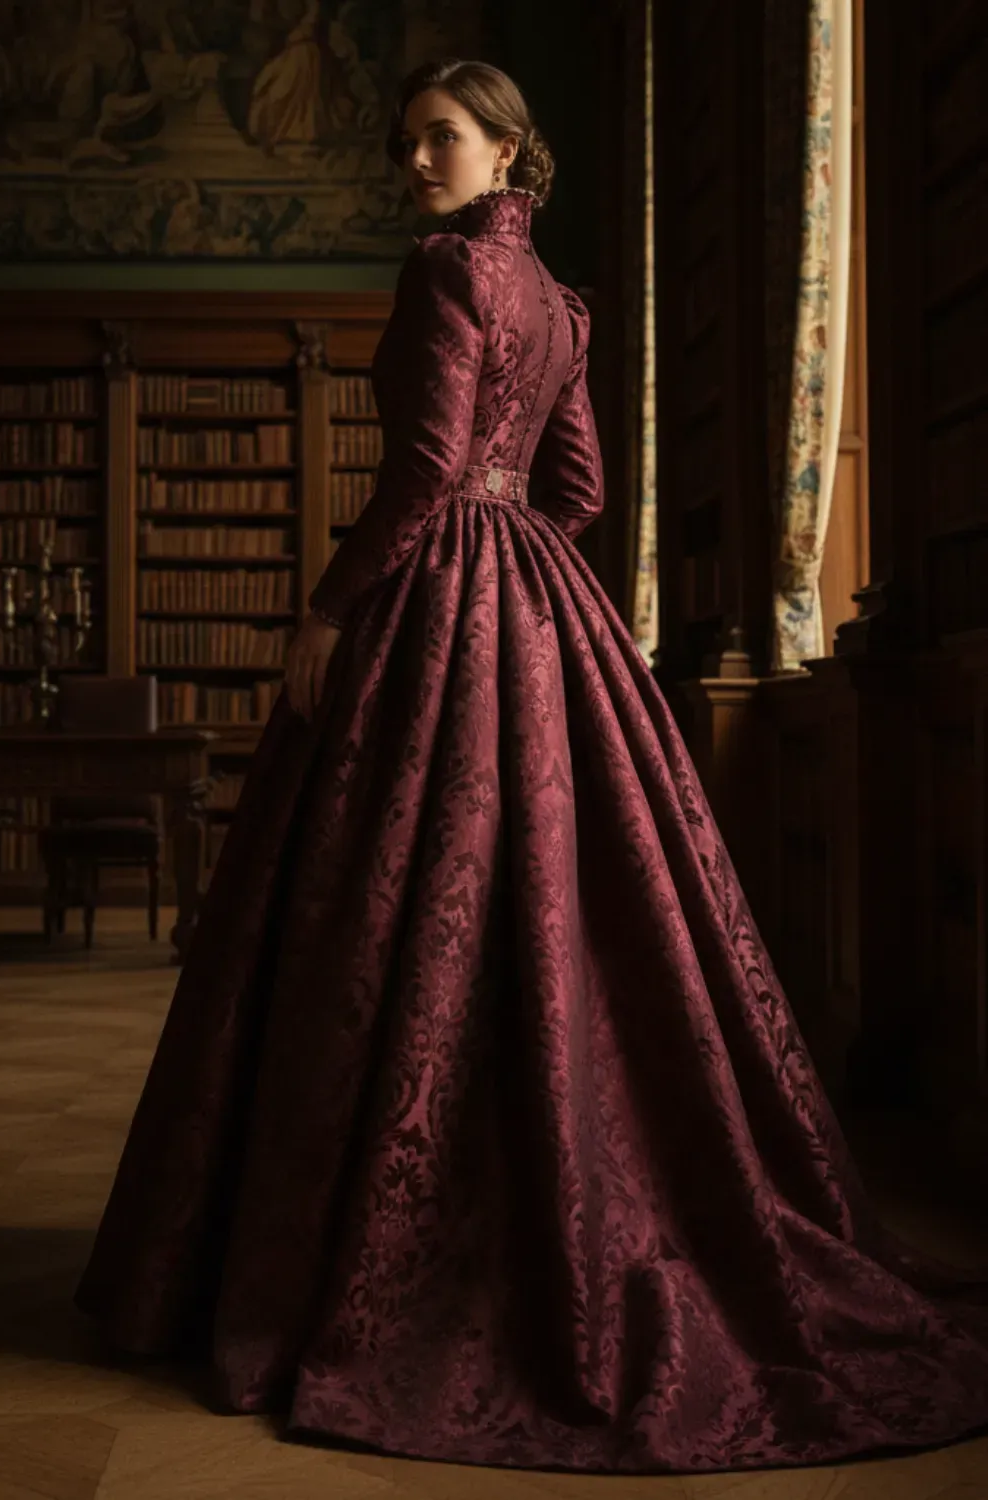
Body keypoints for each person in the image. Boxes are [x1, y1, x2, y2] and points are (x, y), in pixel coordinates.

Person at [74, 57, 988, 1476]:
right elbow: (580, 493)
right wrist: (539, 587)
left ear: (510, 152)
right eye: (406, 143)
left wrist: (330, 609)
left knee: (379, 909)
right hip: (541, 601)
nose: (414, 163)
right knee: (553, 906)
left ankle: (359, 1246)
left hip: (438, 595)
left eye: (440, 139)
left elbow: (430, 465)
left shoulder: (447, 273)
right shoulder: (562, 304)